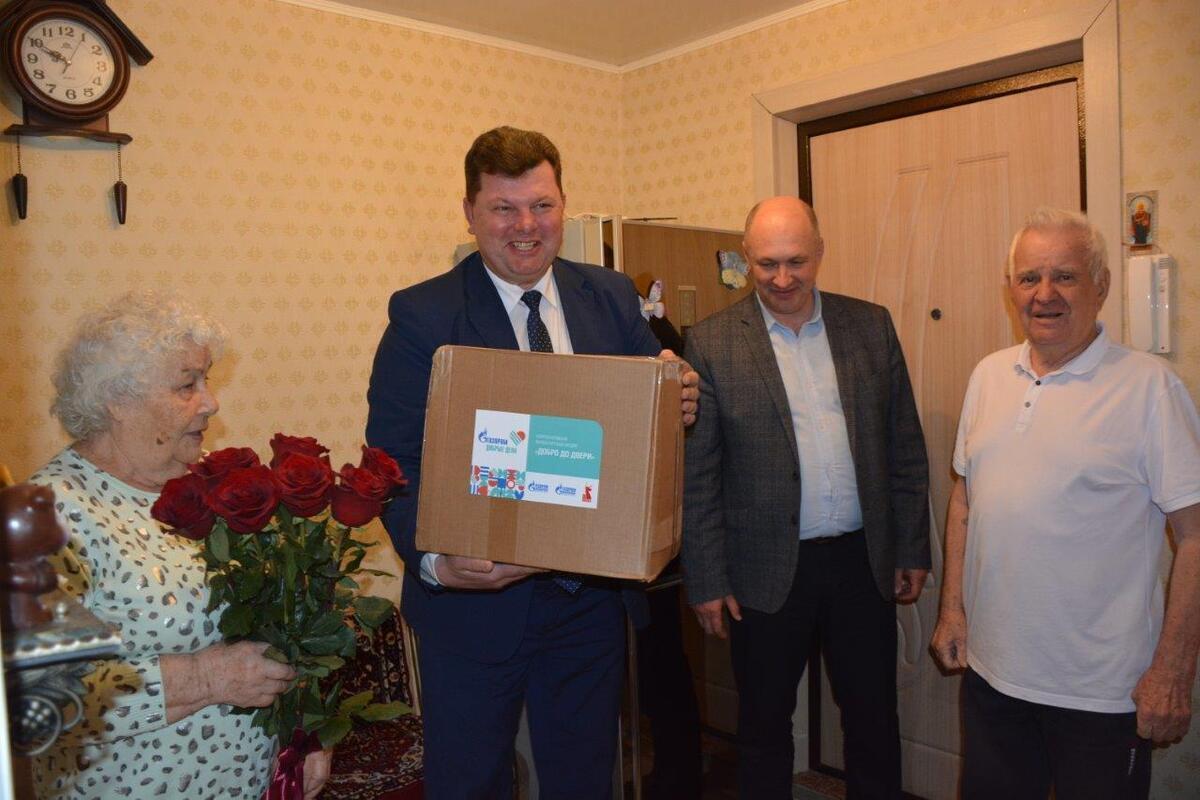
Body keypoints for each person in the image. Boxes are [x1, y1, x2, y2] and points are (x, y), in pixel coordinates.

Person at [366, 126, 699, 799]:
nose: (526, 226)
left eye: (542, 206)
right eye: (504, 208)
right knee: (470, 784)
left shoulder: (609, 295)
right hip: (473, 610)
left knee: (586, 781)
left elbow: (646, 425)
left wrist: (679, 397)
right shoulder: (423, 314)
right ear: (469, 212)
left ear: (563, 205)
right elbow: (388, 464)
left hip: (588, 605)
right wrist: (436, 563)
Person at [930, 208, 1200, 799]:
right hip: (993, 677)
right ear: (1011, 289)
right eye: (1029, 277)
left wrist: (1174, 670)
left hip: (1101, 694)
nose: (1044, 294)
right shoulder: (988, 376)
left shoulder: (1150, 389)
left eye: (1065, 276)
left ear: (1101, 286)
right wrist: (953, 611)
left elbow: (1195, 534)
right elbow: (966, 499)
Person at [28, 290, 331, 799]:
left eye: (206, 381)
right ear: (117, 400)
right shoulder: (49, 514)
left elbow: (278, 621)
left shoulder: (215, 482)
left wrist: (305, 728)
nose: (211, 402)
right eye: (187, 385)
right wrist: (204, 678)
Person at [682, 196, 930, 799]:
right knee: (764, 729)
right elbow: (700, 474)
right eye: (767, 264)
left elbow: (904, 445)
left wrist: (911, 546)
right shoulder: (712, 342)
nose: (782, 278)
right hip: (762, 571)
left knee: (874, 721)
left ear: (820, 252)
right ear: (746, 258)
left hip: (861, 563)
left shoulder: (870, 326)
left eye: (796, 261)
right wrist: (707, 578)